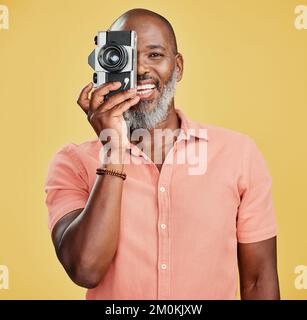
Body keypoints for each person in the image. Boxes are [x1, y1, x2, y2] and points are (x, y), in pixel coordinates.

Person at [44, 8, 280, 299]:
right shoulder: (73, 162)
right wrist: (114, 149)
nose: (141, 69)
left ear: (178, 67)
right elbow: (85, 270)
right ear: (105, 65)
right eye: (126, 57)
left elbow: (258, 281)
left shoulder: (238, 154)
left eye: (154, 55)